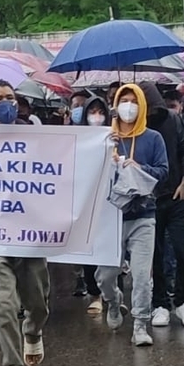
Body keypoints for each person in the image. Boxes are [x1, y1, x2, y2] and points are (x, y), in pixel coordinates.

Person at [0, 79, 50, 366]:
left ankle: (33, 330)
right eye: (0, 99)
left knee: (38, 302)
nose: (7, 103)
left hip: (29, 232)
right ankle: (12, 365)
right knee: (3, 305)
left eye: (11, 97)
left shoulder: (34, 136)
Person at [96, 84, 169, 347]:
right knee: (106, 275)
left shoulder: (153, 138)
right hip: (111, 218)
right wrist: (105, 153)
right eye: (123, 100)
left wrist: (140, 168)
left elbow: (163, 172)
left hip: (143, 215)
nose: (129, 106)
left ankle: (140, 324)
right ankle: (113, 301)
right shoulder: (104, 138)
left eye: (133, 100)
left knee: (141, 275)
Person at [140, 82, 184, 328]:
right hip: (147, 199)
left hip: (176, 194)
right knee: (155, 255)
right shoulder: (132, 128)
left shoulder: (174, 121)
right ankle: (160, 303)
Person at [75, 94, 111, 315]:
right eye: (92, 112)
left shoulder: (116, 136)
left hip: (110, 204)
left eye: (100, 112)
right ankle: (95, 294)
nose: (96, 117)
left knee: (111, 250)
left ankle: (112, 293)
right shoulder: (77, 139)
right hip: (86, 202)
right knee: (88, 250)